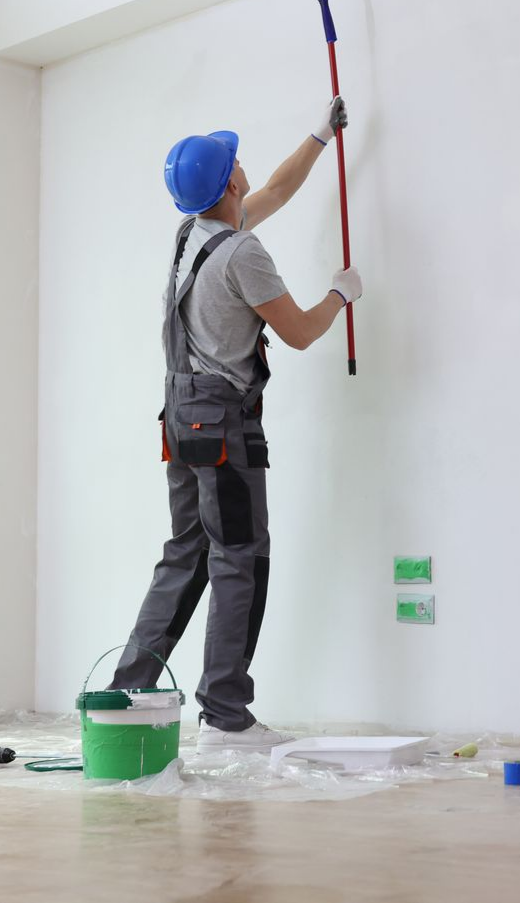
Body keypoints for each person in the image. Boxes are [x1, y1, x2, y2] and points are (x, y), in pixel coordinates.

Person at [108, 98, 362, 752]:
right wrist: (340, 293)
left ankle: (126, 696)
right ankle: (225, 715)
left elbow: (277, 187)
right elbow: (300, 333)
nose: (245, 165)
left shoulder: (194, 233)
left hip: (180, 418)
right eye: (235, 161)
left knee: (186, 554)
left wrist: (319, 135)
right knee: (239, 559)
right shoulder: (241, 252)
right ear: (228, 185)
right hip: (223, 427)